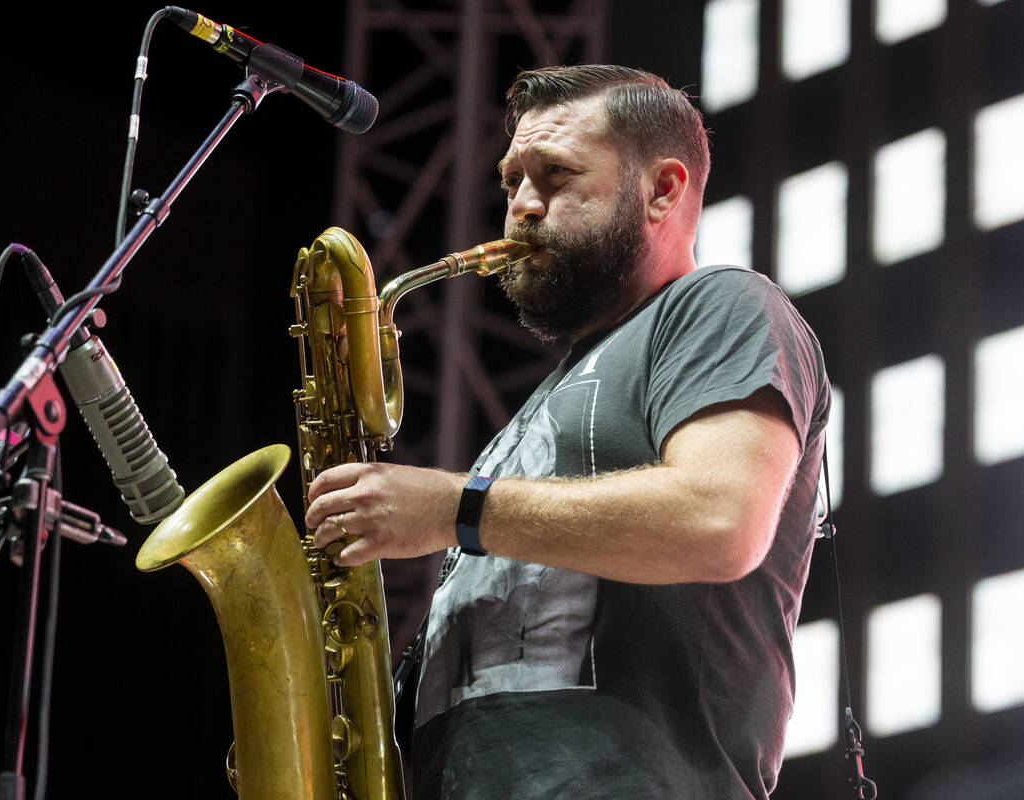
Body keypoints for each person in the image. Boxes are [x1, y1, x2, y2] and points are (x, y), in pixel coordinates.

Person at [306, 65, 831, 800]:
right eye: (511, 180)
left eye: (554, 175)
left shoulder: (721, 306)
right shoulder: (536, 409)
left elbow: (719, 520)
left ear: (664, 189)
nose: (520, 205)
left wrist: (453, 508)